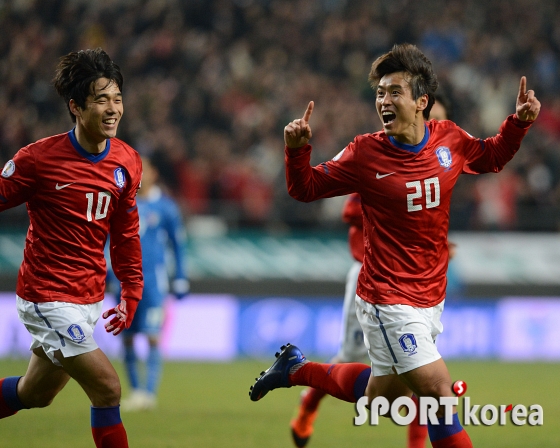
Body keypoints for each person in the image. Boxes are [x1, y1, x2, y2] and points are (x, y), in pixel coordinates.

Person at [250, 43, 540, 448]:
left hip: (429, 296)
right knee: (438, 395)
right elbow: (305, 188)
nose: (384, 101)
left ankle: (295, 369)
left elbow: (491, 157)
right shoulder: (364, 152)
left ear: (422, 101)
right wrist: (297, 152)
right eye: (380, 93)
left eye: (394, 92)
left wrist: (519, 123)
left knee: (380, 397)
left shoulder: (449, 139)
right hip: (387, 298)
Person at [289, 96, 452, 448]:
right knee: (352, 360)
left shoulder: (440, 159)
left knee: (419, 381)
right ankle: (305, 403)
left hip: (422, 288)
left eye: (438, 122)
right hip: (376, 284)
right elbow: (350, 209)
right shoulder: (377, 159)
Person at [0, 48, 143, 448]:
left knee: (34, 394)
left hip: (87, 297)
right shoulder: (38, 159)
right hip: (46, 297)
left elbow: (126, 234)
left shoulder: (127, 162)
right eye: (101, 100)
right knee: (108, 388)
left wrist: (131, 291)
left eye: (117, 98)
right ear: (76, 107)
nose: (113, 109)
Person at [114, 154, 189, 411]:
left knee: (154, 337)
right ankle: (136, 392)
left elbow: (179, 245)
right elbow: (107, 241)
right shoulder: (121, 202)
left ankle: (149, 393)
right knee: (127, 339)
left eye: (144, 170)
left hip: (154, 283)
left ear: (155, 173)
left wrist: (180, 277)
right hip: (124, 283)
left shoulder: (166, 207)